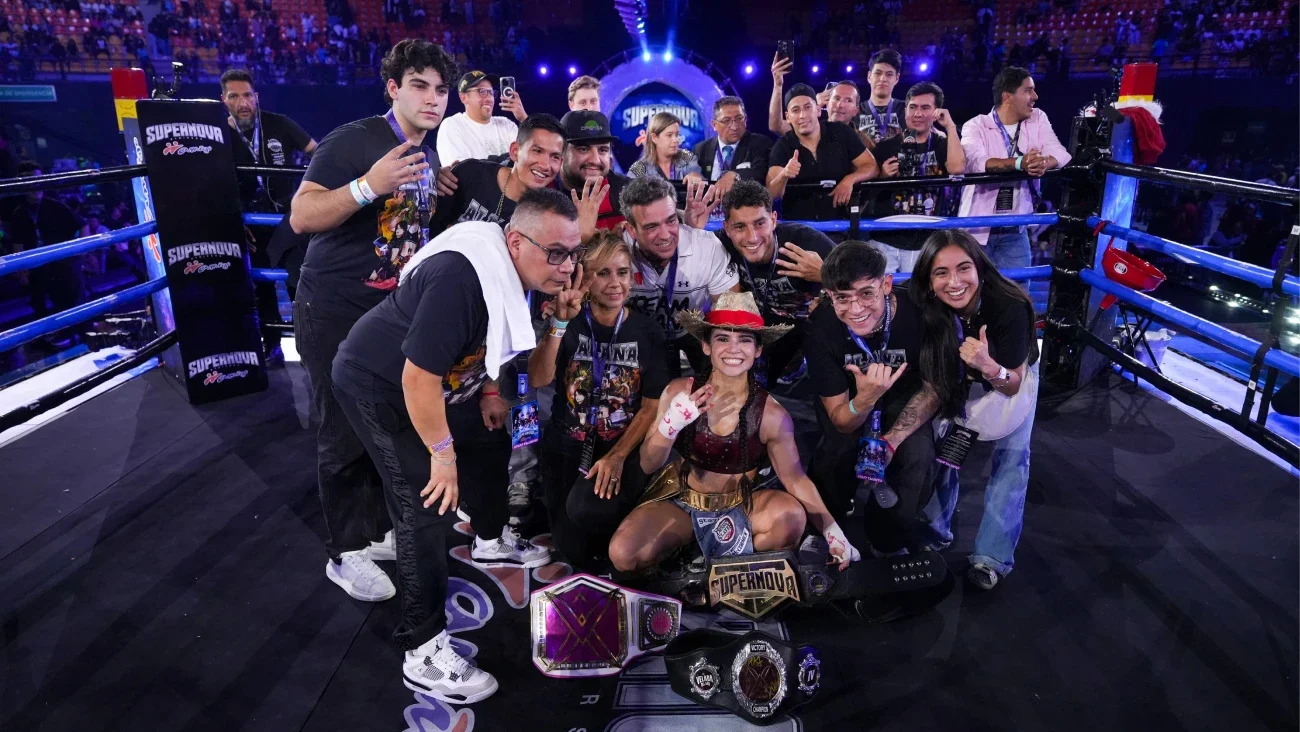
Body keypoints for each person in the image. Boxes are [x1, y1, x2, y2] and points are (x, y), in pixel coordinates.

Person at [331, 187, 580, 702]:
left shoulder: (523, 271)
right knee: (426, 506)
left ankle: (479, 539)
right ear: (516, 242)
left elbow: (528, 370)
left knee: (482, 448)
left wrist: (554, 325)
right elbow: (416, 378)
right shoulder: (462, 278)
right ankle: (422, 651)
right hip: (382, 385)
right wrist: (442, 457)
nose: (567, 267)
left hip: (442, 386)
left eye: (573, 253)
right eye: (556, 253)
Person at [289, 39, 455, 604]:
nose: (432, 99)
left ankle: (374, 527)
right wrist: (368, 186)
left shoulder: (428, 154)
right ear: (392, 88)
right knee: (340, 430)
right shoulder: (355, 139)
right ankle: (345, 551)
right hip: (333, 308)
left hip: (386, 315)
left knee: (382, 422)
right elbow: (301, 214)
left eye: (440, 89)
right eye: (419, 85)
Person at [606, 291, 861, 571]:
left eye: (745, 340)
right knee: (623, 553)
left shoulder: (772, 415)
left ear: (758, 349)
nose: (733, 349)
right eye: (723, 339)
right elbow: (648, 463)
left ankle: (724, 565)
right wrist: (672, 423)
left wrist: (832, 532)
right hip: (683, 503)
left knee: (790, 518)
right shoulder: (679, 392)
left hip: (745, 507)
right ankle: (697, 552)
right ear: (706, 345)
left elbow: (796, 480)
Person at [529, 231, 670, 569]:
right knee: (572, 552)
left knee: (609, 543)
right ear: (586, 279)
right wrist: (559, 324)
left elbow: (652, 405)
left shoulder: (648, 332)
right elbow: (538, 378)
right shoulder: (567, 321)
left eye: (622, 272)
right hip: (567, 445)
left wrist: (619, 455)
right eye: (603, 273)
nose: (615, 283)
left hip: (621, 448)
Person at [911, 230, 1039, 591]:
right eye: (941, 273)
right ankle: (933, 531)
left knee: (1013, 457)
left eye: (963, 268)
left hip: (1009, 374)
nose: (954, 282)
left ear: (979, 268)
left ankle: (992, 558)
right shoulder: (925, 304)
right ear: (929, 280)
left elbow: (1012, 383)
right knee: (942, 449)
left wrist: (988, 366)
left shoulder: (1010, 304)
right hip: (957, 377)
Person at [803, 241, 940, 556]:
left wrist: (891, 441)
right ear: (829, 295)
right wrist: (865, 399)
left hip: (904, 400)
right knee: (835, 451)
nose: (856, 309)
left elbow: (935, 388)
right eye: (842, 298)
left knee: (918, 455)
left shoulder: (920, 313)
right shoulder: (820, 327)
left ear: (886, 285)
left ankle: (887, 539)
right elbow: (840, 418)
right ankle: (824, 530)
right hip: (850, 400)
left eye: (866, 293)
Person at [220, 68, 317, 361]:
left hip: (287, 219)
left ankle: (308, 346)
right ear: (223, 99)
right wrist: (233, 215)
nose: (243, 103)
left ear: (256, 97)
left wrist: (311, 192)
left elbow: (318, 153)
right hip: (247, 223)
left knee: (297, 280)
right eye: (234, 96)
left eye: (247, 95)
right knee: (260, 285)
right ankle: (271, 344)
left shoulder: (278, 124)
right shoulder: (218, 134)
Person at [620, 175, 740, 376]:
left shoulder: (706, 246)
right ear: (631, 230)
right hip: (637, 337)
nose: (665, 234)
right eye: (651, 226)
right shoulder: (616, 251)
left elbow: (731, 311)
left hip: (693, 329)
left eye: (671, 220)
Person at [718, 179, 834, 386]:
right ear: (727, 228)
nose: (752, 237)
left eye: (759, 223)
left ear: (773, 220)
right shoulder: (720, 243)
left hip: (811, 328)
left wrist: (825, 274)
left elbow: (861, 278)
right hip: (764, 328)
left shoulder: (806, 242)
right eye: (740, 226)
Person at [958, 66, 1071, 269]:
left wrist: (1043, 162)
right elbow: (976, 163)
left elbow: (1059, 152)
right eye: (1028, 90)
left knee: (1019, 288)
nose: (1035, 96)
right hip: (977, 229)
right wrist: (1020, 163)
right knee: (974, 288)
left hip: (1015, 229)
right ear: (1008, 96)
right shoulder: (975, 125)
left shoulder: (1037, 117)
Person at [868, 81, 966, 274]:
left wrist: (950, 126)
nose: (917, 114)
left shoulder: (942, 144)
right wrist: (882, 176)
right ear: (905, 110)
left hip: (926, 239)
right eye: (912, 107)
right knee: (882, 290)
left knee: (917, 291)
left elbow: (957, 169)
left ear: (936, 112)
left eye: (925, 108)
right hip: (886, 236)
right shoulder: (885, 147)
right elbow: (869, 192)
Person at [0, 162, 91, 346]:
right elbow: (18, 242)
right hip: (42, 267)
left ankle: (85, 337)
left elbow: (83, 225)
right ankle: (62, 336)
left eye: (38, 179)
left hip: (64, 264)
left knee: (74, 301)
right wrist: (21, 270)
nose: (36, 185)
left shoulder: (54, 205)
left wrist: (80, 253)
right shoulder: (19, 212)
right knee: (48, 301)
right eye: (30, 180)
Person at [428, 113, 565, 232]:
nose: (545, 165)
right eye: (537, 151)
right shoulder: (471, 174)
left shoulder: (547, 213)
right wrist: (433, 180)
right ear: (514, 151)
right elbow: (429, 231)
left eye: (555, 157)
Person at [767, 83, 878, 223]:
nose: (802, 115)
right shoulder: (782, 146)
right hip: (798, 230)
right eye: (796, 110)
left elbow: (871, 166)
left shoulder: (841, 133)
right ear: (788, 117)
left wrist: (849, 180)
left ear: (818, 110)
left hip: (840, 227)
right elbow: (770, 194)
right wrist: (784, 175)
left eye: (808, 107)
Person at [555, 110, 629, 238]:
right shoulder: (540, 194)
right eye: (583, 149)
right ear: (561, 151)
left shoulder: (629, 194)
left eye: (603, 150)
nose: (595, 160)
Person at [693, 96, 773, 200]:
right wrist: (692, 175)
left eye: (739, 119)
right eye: (726, 121)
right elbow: (694, 174)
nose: (734, 127)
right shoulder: (701, 149)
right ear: (714, 124)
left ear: (745, 120)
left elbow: (761, 171)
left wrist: (734, 174)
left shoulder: (760, 143)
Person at [436, 70, 523, 164]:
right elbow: (460, 169)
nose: (490, 98)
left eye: (491, 92)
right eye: (482, 91)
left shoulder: (506, 124)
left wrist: (523, 118)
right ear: (464, 97)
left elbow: (529, 156)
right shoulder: (452, 125)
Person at [627, 112, 703, 183]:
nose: (676, 140)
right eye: (669, 135)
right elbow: (628, 191)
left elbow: (699, 178)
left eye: (677, 135)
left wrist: (696, 176)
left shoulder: (688, 158)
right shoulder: (639, 169)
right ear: (654, 138)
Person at [858, 49, 906, 148]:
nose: (883, 78)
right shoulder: (855, 111)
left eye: (889, 74)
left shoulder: (907, 109)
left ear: (897, 78)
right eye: (878, 73)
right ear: (869, 76)